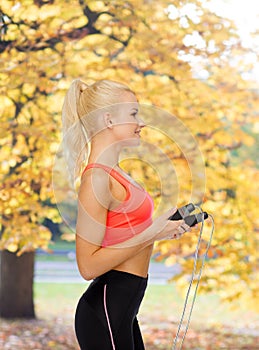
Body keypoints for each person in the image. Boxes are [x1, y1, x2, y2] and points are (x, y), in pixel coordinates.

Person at [61, 79, 192, 350]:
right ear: (109, 119)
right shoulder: (96, 178)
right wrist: (153, 232)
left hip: (123, 311)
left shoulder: (118, 174)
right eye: (133, 113)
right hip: (105, 312)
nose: (141, 122)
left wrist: (163, 225)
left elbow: (130, 236)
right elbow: (88, 266)